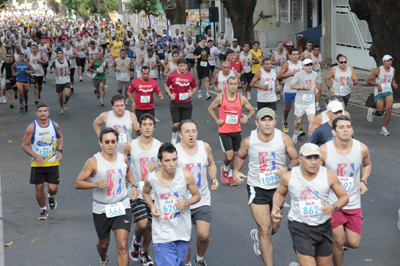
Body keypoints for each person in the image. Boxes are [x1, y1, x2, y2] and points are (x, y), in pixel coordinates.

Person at [232, 107, 298, 265]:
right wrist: (235, 171)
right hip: (257, 187)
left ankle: (258, 238)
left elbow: (296, 159)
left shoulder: (284, 139)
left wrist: (287, 168)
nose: (267, 123)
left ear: (275, 121)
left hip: (278, 190)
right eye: (263, 120)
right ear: (257, 122)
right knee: (266, 229)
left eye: (270, 120)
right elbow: (240, 156)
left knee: (274, 228)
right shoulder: (249, 141)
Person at [271, 143, 349, 266]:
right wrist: (275, 207)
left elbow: (344, 196)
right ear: (300, 160)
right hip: (300, 226)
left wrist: (333, 207)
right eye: (309, 158)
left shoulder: (329, 175)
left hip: (323, 226)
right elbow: (280, 193)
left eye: (316, 157)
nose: (313, 162)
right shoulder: (289, 177)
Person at [75, 127, 138, 266]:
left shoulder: (123, 157)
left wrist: (134, 185)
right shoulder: (93, 161)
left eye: (113, 141)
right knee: (104, 244)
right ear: (100, 143)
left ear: (117, 142)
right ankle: (103, 257)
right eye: (107, 141)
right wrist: (96, 184)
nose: (110, 144)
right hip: (102, 208)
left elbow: (128, 170)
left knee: (122, 246)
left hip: (122, 205)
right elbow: (78, 183)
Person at [319, 116, 372, 266]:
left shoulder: (361, 148)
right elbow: (315, 173)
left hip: (353, 202)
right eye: (341, 127)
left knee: (354, 243)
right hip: (332, 202)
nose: (346, 130)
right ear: (333, 132)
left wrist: (363, 181)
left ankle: (330, 242)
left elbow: (367, 165)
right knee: (338, 240)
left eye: (348, 127)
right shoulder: (324, 150)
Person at [142, 143, 201, 266]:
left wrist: (185, 203)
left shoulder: (186, 176)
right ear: (160, 162)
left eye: (174, 159)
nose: (172, 164)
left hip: (182, 231)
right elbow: (145, 193)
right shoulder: (152, 178)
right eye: (167, 160)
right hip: (162, 233)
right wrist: (152, 206)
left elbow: (197, 196)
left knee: (178, 264)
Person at [175, 120, 219, 266]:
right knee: (186, 240)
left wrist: (213, 178)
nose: (191, 134)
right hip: (183, 202)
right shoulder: (175, 151)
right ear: (180, 135)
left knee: (204, 235)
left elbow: (211, 163)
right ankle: (187, 264)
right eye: (187, 131)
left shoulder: (204, 147)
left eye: (193, 130)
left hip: (202, 198)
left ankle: (199, 258)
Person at [122, 113, 161, 265]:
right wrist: (126, 178)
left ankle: (144, 252)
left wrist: (157, 166)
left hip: (154, 193)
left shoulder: (160, 146)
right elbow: (122, 161)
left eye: (150, 124)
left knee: (151, 226)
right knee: (143, 223)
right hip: (137, 191)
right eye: (144, 124)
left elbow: (168, 166)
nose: (147, 127)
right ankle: (136, 241)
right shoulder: (131, 145)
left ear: (154, 127)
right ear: (139, 126)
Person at [208, 76, 255, 186]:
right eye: (231, 84)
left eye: (235, 84)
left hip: (237, 131)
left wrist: (248, 117)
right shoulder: (221, 98)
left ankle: (231, 174)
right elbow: (210, 108)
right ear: (227, 85)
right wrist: (216, 120)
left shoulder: (241, 98)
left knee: (235, 157)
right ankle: (224, 168)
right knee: (229, 156)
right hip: (224, 131)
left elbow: (251, 110)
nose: (233, 86)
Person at [22, 103, 63, 220]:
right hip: (37, 164)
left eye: (45, 110)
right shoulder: (32, 127)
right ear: (36, 113)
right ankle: (43, 209)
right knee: (39, 188)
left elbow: (60, 137)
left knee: (53, 188)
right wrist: (35, 155)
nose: (43, 113)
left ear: (48, 112)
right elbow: (24, 144)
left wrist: (59, 151)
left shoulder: (55, 125)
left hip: (52, 162)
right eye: (40, 111)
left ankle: (50, 196)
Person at [165, 58, 197, 144]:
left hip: (187, 103)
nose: (183, 68)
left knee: (186, 124)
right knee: (176, 124)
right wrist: (170, 94)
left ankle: (183, 139)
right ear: (177, 66)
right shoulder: (172, 75)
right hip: (175, 103)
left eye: (184, 65)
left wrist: (192, 93)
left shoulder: (190, 76)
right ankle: (174, 135)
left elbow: (194, 87)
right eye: (180, 66)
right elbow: (166, 86)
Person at [366, 55, 398, 136]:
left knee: (389, 109)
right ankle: (371, 112)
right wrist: (377, 84)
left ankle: (384, 128)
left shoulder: (393, 70)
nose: (389, 62)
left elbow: (392, 79)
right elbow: (369, 80)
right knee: (380, 112)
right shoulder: (378, 70)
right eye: (387, 61)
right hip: (379, 92)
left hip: (388, 91)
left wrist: (394, 84)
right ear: (383, 62)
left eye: (390, 61)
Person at [290, 58, 318, 144]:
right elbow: (292, 86)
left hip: (311, 101)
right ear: (303, 66)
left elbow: (314, 83)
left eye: (311, 65)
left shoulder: (314, 74)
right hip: (300, 101)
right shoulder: (298, 74)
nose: (310, 67)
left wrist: (316, 88)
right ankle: (295, 132)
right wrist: (303, 87)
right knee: (298, 121)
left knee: (312, 120)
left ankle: (310, 140)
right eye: (308, 65)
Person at [278, 48, 304, 135]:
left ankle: (299, 127)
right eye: (294, 54)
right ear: (290, 56)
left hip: (299, 90)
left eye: (297, 54)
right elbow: (280, 75)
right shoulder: (287, 64)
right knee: (288, 108)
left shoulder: (302, 64)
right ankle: (285, 120)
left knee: (300, 109)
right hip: (289, 90)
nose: (296, 56)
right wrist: (292, 74)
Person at [49, 49, 71, 114]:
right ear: (57, 55)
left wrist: (69, 71)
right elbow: (51, 69)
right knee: (61, 96)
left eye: (61, 53)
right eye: (59, 53)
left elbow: (69, 67)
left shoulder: (67, 61)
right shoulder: (55, 62)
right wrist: (51, 71)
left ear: (63, 54)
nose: (60, 55)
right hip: (59, 81)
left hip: (66, 80)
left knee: (67, 94)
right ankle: (61, 107)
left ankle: (66, 102)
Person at [306, 44, 327, 111]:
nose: (317, 52)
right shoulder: (309, 56)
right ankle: (309, 104)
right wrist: (312, 66)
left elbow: (321, 61)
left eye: (318, 50)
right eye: (315, 50)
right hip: (311, 75)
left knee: (319, 90)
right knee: (311, 90)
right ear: (313, 50)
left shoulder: (321, 55)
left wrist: (324, 64)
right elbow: (305, 66)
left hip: (318, 75)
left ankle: (317, 105)